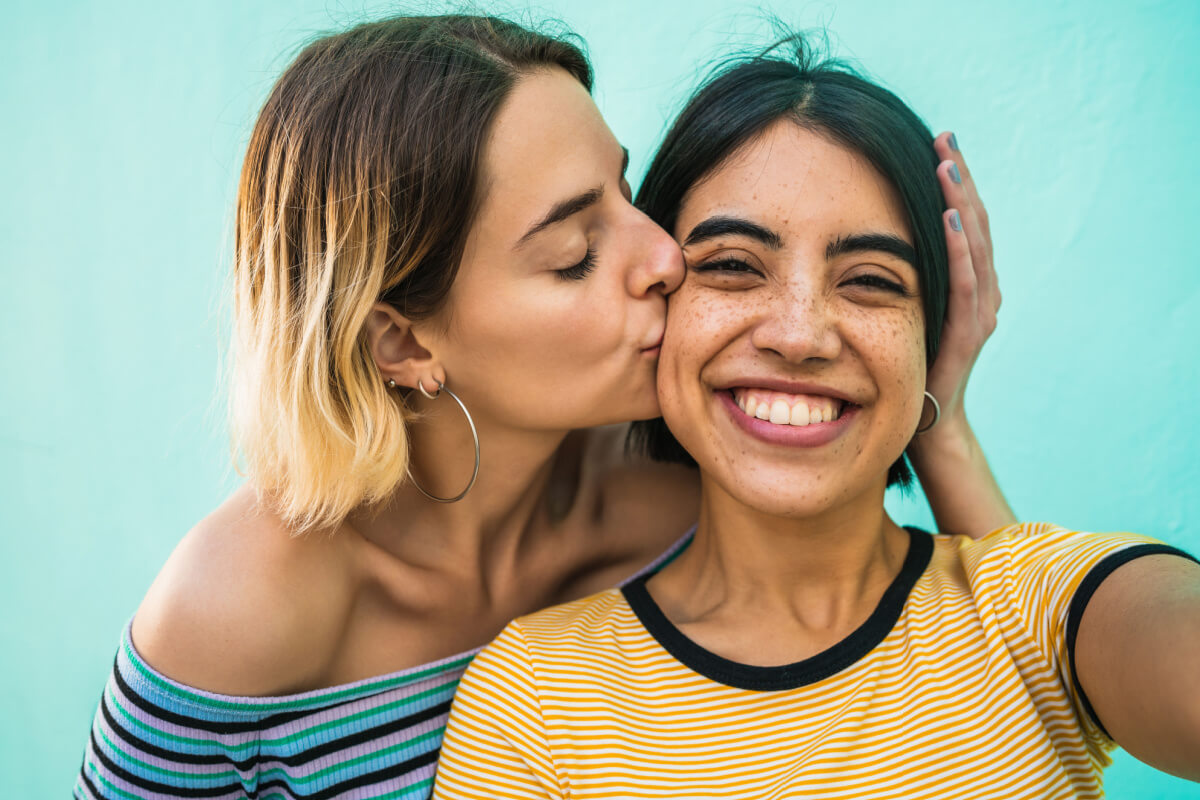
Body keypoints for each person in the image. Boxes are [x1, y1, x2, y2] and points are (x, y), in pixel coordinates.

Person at [74, 16, 1013, 800]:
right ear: (402, 342)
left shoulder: (694, 484)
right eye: (574, 253)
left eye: (624, 190)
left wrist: (941, 416)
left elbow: (1010, 675)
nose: (663, 258)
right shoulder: (233, 613)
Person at [430, 38, 1200, 799]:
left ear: (932, 335)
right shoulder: (532, 695)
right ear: (658, 301)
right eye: (732, 265)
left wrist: (941, 422)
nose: (799, 335)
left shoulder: (1044, 610)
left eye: (870, 281)